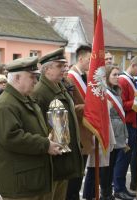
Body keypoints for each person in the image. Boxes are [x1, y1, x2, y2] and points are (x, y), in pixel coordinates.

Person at [0, 56, 62, 200]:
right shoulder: (6, 105)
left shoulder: (24, 98)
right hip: (20, 183)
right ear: (17, 78)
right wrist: (45, 144)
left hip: (30, 179)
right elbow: (11, 138)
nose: (35, 81)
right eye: (32, 77)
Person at [32, 48, 83, 200]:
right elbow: (37, 127)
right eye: (59, 66)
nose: (64, 69)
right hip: (52, 161)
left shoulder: (60, 87)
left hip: (64, 157)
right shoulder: (39, 92)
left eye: (64, 65)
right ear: (47, 69)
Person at [113, 55, 137, 198]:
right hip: (126, 124)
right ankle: (118, 188)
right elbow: (122, 104)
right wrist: (136, 103)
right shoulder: (123, 81)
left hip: (132, 123)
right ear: (134, 65)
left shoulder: (129, 80)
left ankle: (122, 187)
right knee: (123, 157)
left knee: (126, 158)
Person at [66, 45, 93, 200]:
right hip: (77, 134)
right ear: (81, 58)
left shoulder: (85, 76)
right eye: (89, 60)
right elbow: (70, 107)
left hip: (85, 132)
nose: (91, 63)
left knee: (79, 177)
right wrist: (90, 107)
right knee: (73, 181)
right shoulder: (71, 78)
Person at [102, 65, 129, 200]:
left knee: (113, 164)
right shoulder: (105, 92)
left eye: (118, 74)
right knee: (107, 164)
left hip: (119, 131)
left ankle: (109, 192)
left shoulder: (117, 90)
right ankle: (105, 192)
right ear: (107, 77)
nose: (117, 77)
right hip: (111, 131)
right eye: (114, 75)